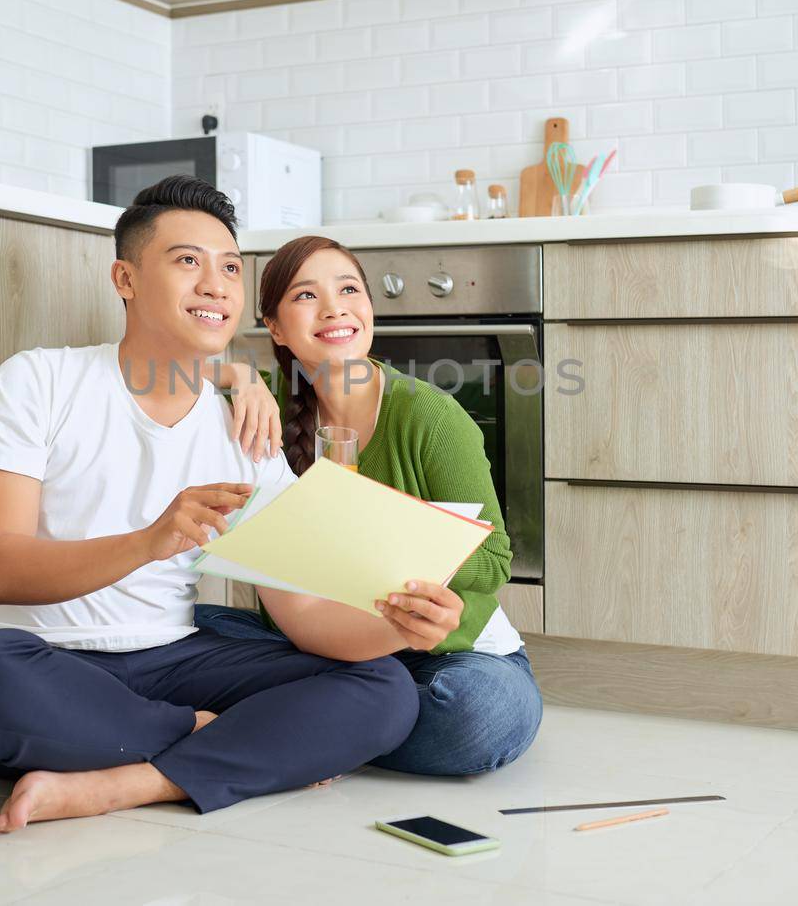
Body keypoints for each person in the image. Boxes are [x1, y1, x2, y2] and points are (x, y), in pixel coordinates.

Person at [0, 178, 428, 833]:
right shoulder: (39, 381)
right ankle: (215, 743)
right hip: (45, 657)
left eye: (229, 268)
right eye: (188, 261)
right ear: (126, 279)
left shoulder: (242, 429)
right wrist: (149, 541)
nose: (217, 285)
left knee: (384, 690)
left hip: (174, 657)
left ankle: (131, 782)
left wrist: (401, 624)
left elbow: (297, 609)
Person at [198, 234, 543, 776]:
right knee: (184, 630)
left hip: (438, 658)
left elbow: (495, 556)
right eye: (307, 296)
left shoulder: (428, 415)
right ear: (276, 327)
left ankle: (294, 723)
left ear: (369, 309)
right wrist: (238, 374)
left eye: (349, 289)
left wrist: (402, 539)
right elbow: (161, 373)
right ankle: (331, 722)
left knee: (480, 718)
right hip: (311, 644)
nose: (334, 307)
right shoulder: (263, 403)